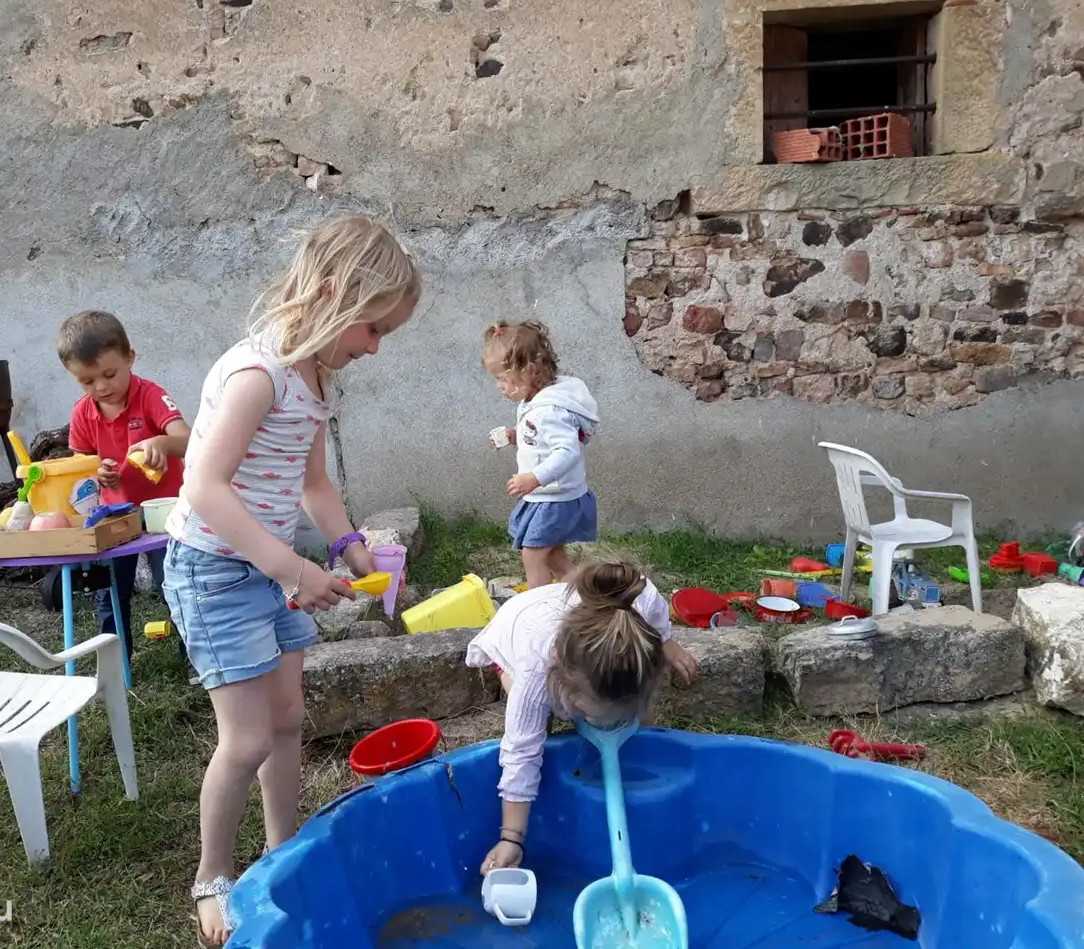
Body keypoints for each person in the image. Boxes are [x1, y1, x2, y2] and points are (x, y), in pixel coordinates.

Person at [162, 215, 421, 947]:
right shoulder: (256, 375)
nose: (373, 348)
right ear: (335, 293)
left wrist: (346, 543)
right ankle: (212, 876)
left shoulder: (315, 377)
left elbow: (311, 482)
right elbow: (206, 487)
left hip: (267, 569)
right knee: (244, 740)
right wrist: (294, 569)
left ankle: (283, 852)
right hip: (216, 570)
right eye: (373, 329)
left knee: (285, 722)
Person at [464, 560, 698, 876]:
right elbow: (521, 753)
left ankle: (637, 732)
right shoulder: (536, 673)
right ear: (560, 672)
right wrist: (512, 838)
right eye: (590, 714)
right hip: (517, 629)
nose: (604, 728)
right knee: (532, 722)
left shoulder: (632, 604)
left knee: (641, 719)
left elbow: (648, 593)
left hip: (581, 615)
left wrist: (664, 640)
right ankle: (552, 700)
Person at [57, 309, 192, 676]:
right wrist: (99, 475)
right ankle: (116, 666)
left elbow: (189, 440)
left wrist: (162, 443)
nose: (100, 387)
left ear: (130, 358)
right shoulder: (83, 413)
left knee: (177, 587)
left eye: (109, 374)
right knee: (110, 593)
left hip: (166, 514)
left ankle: (195, 658)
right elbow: (81, 469)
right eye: (87, 381)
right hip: (114, 515)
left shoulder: (150, 396)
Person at [484, 320, 600, 589]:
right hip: (548, 496)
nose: (499, 386)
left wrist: (534, 478)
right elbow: (541, 438)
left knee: (533, 554)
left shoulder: (549, 410)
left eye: (503, 378)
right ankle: (586, 597)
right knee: (555, 557)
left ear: (529, 371)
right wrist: (515, 435)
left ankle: (538, 607)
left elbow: (567, 451)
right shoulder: (536, 401)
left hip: (555, 498)